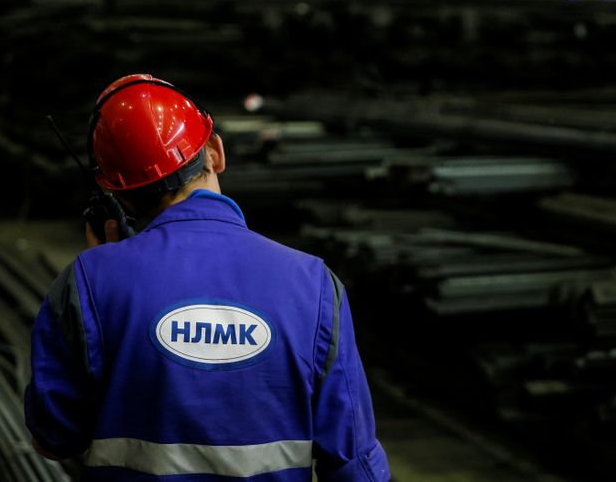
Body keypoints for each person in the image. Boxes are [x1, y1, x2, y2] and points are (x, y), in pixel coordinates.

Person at [25, 74, 390, 481]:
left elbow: (52, 437)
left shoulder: (88, 282)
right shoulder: (314, 285)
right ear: (216, 151)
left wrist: (104, 275)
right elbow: (356, 465)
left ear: (118, 196)